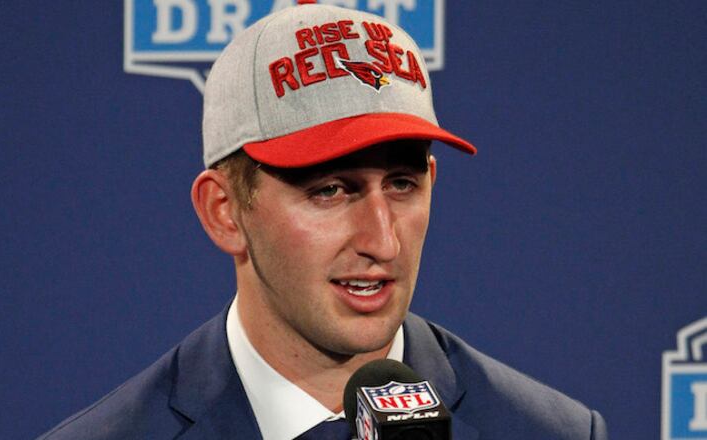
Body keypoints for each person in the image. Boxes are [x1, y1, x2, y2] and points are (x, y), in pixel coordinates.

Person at [38, 2, 607, 439]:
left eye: (402, 185)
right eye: (331, 191)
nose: (382, 241)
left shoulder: (553, 432)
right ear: (225, 211)